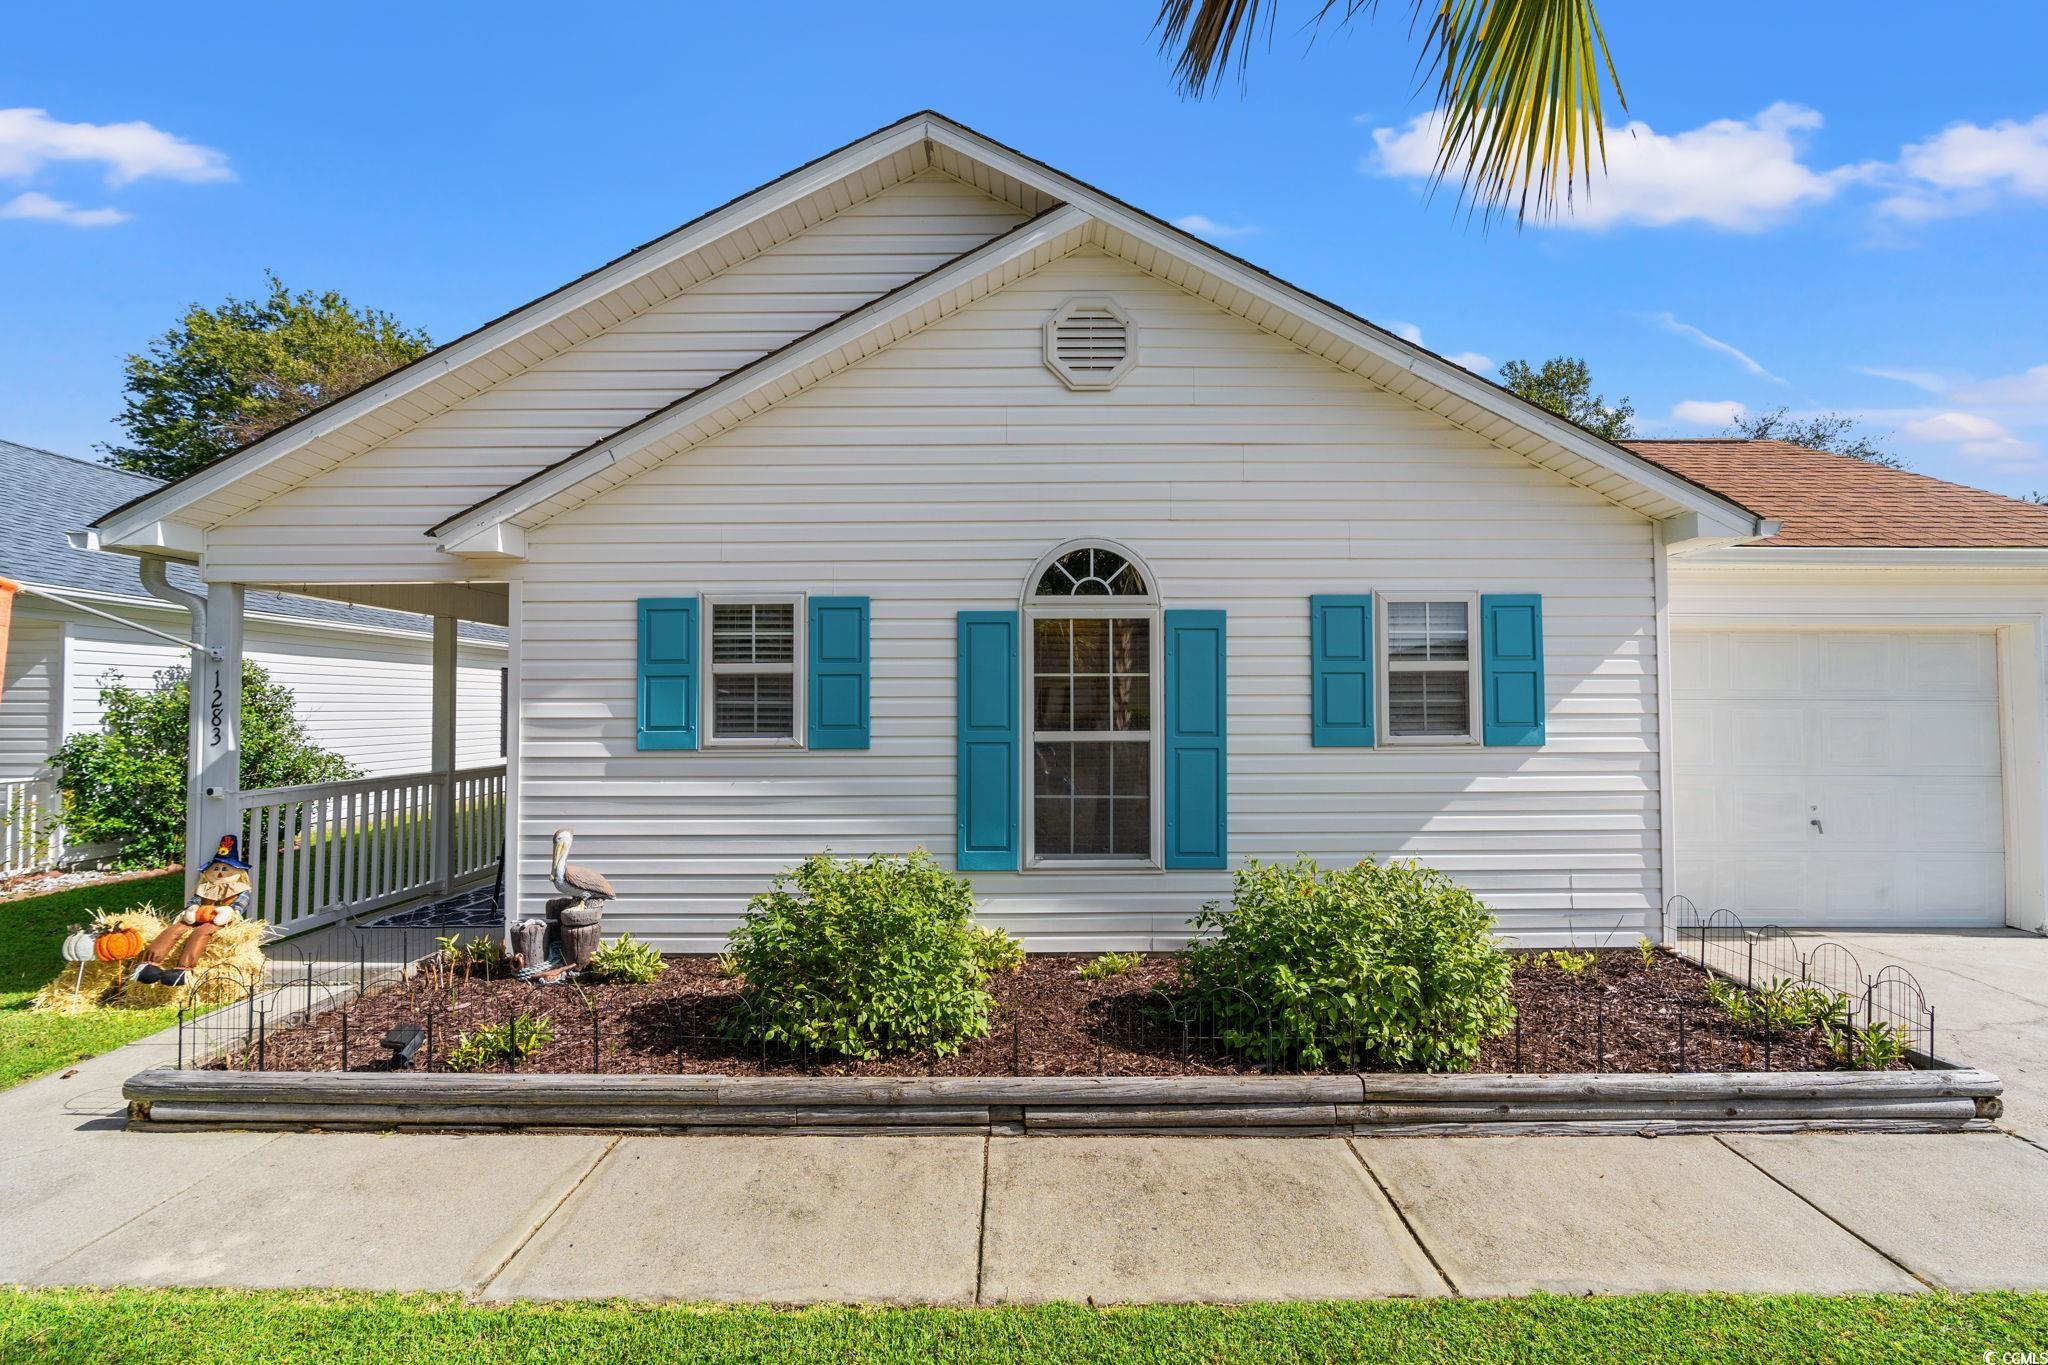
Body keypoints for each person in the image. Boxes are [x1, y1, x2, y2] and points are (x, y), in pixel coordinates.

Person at [135, 835, 251, 987]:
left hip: (218, 920)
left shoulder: (240, 889)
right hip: (198, 916)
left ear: (237, 872)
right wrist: (191, 910)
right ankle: (149, 964)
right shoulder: (205, 887)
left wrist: (227, 912)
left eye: (225, 868)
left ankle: (183, 969)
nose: (220, 872)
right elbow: (194, 901)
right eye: (216, 868)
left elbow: (238, 907)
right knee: (174, 929)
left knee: (200, 933)